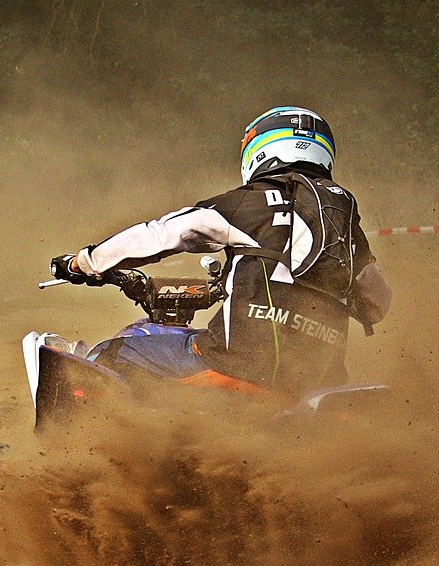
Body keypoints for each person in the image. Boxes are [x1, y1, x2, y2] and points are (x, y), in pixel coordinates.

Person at [50, 106, 392, 396]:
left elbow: (164, 235)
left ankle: (93, 448)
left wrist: (86, 262)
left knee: (113, 351)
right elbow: (378, 303)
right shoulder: (344, 227)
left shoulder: (251, 202)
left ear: (260, 149)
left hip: (237, 364)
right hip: (313, 386)